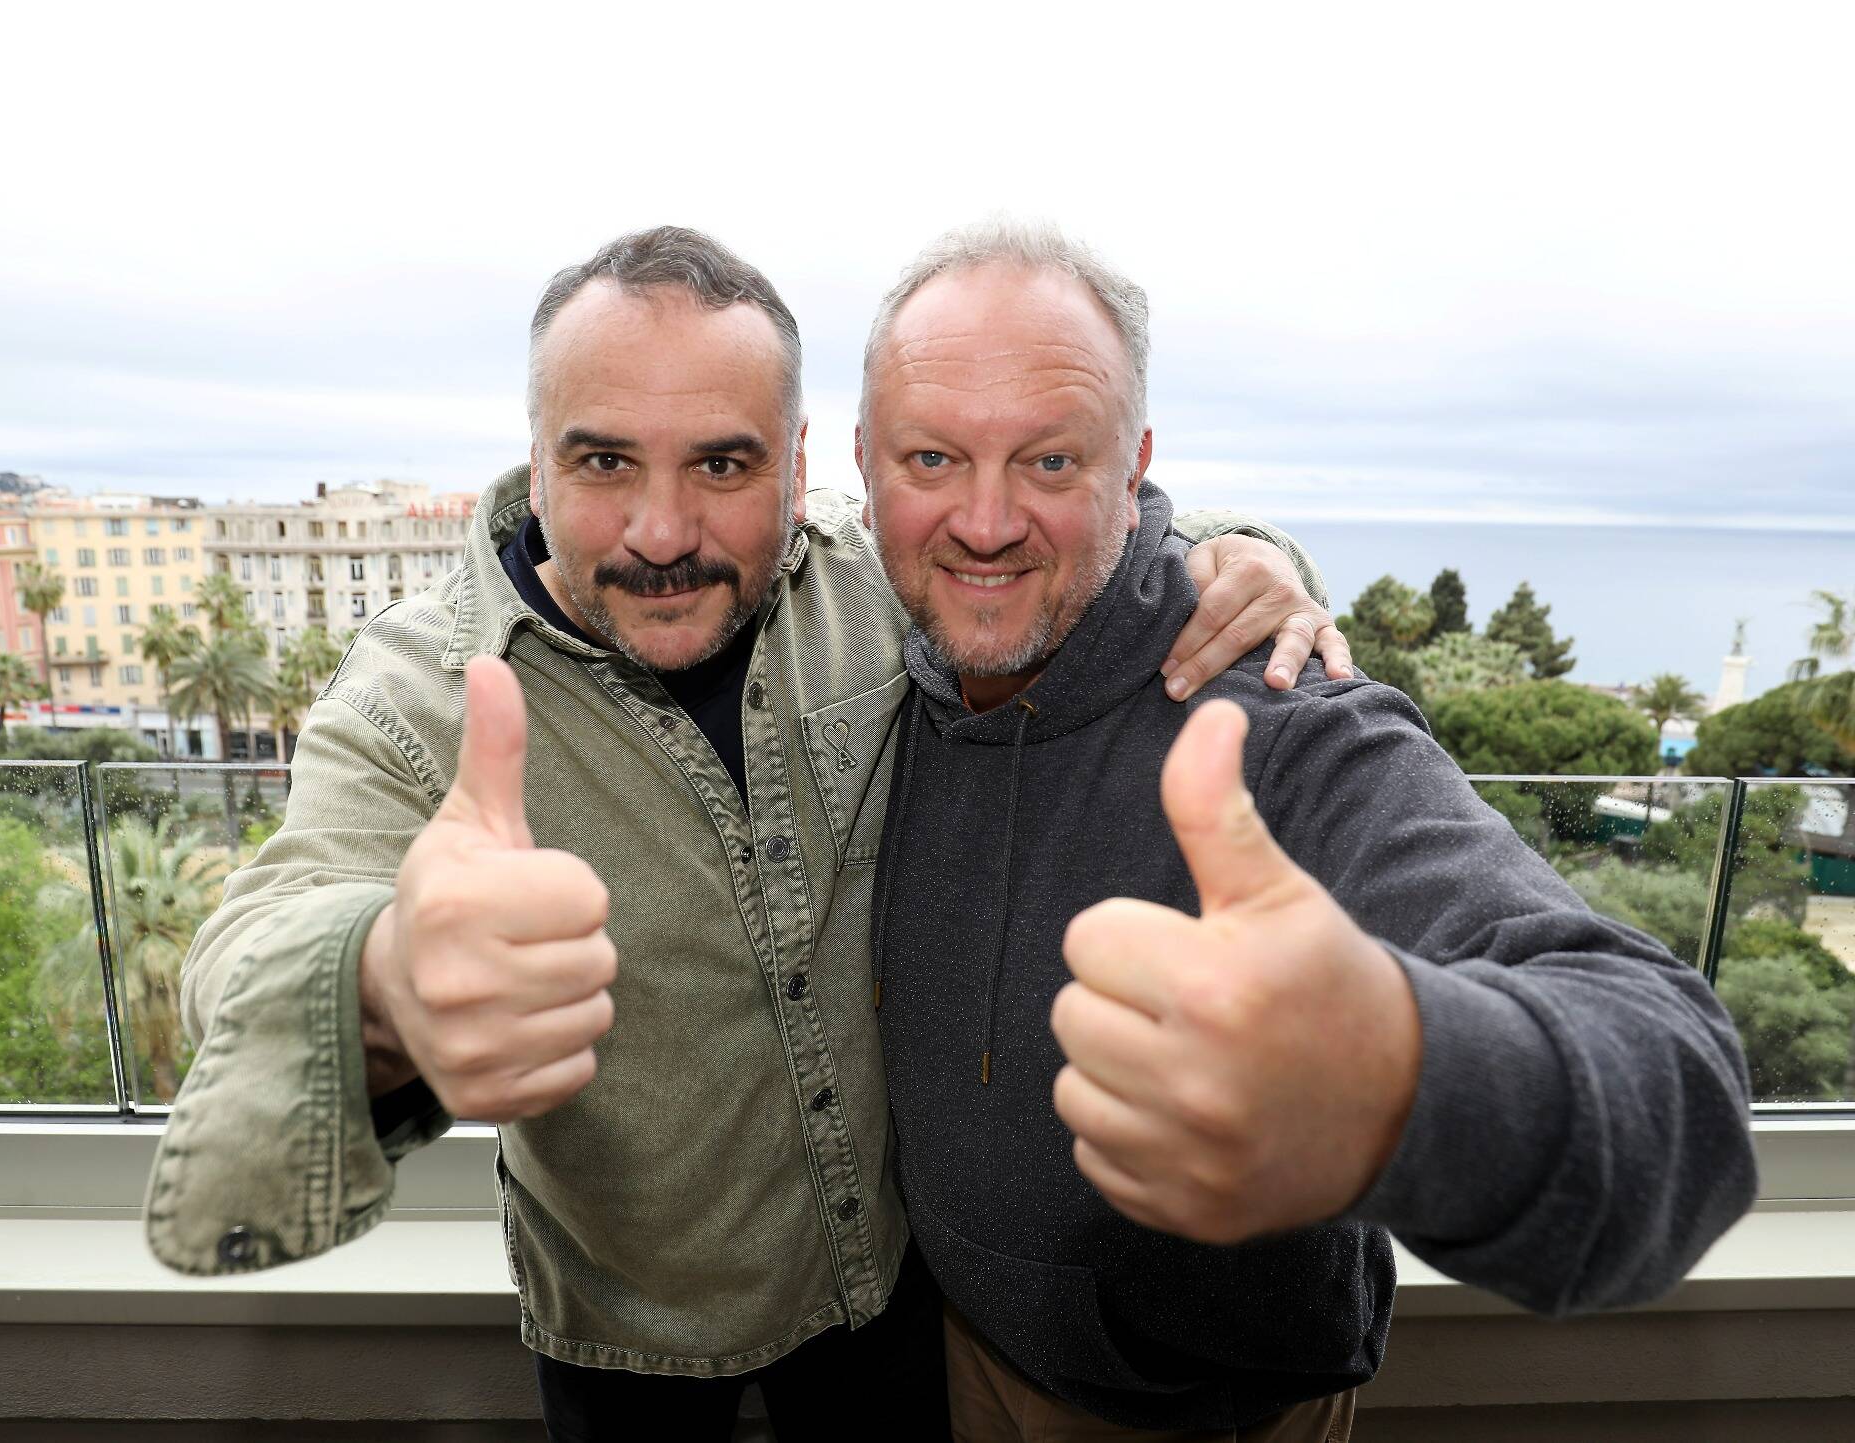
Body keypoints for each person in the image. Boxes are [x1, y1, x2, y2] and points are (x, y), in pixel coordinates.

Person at [144, 226, 1350, 1441]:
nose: (661, 532)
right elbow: (247, 954)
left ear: (799, 463)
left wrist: (1249, 562)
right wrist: (387, 973)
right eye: (605, 462)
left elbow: (1078, 545)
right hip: (630, 1340)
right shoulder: (419, 696)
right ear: (536, 458)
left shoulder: (876, 580)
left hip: (891, 1299)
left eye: (723, 466)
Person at [860, 221, 1759, 1441]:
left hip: (1217, 1416)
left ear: (1134, 471)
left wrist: (1394, 1082)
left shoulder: (1274, 724)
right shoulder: (867, 676)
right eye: (929, 458)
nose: (982, 520)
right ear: (864, 465)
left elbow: (1673, 1091)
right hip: (962, 1365)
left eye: (1050, 462)